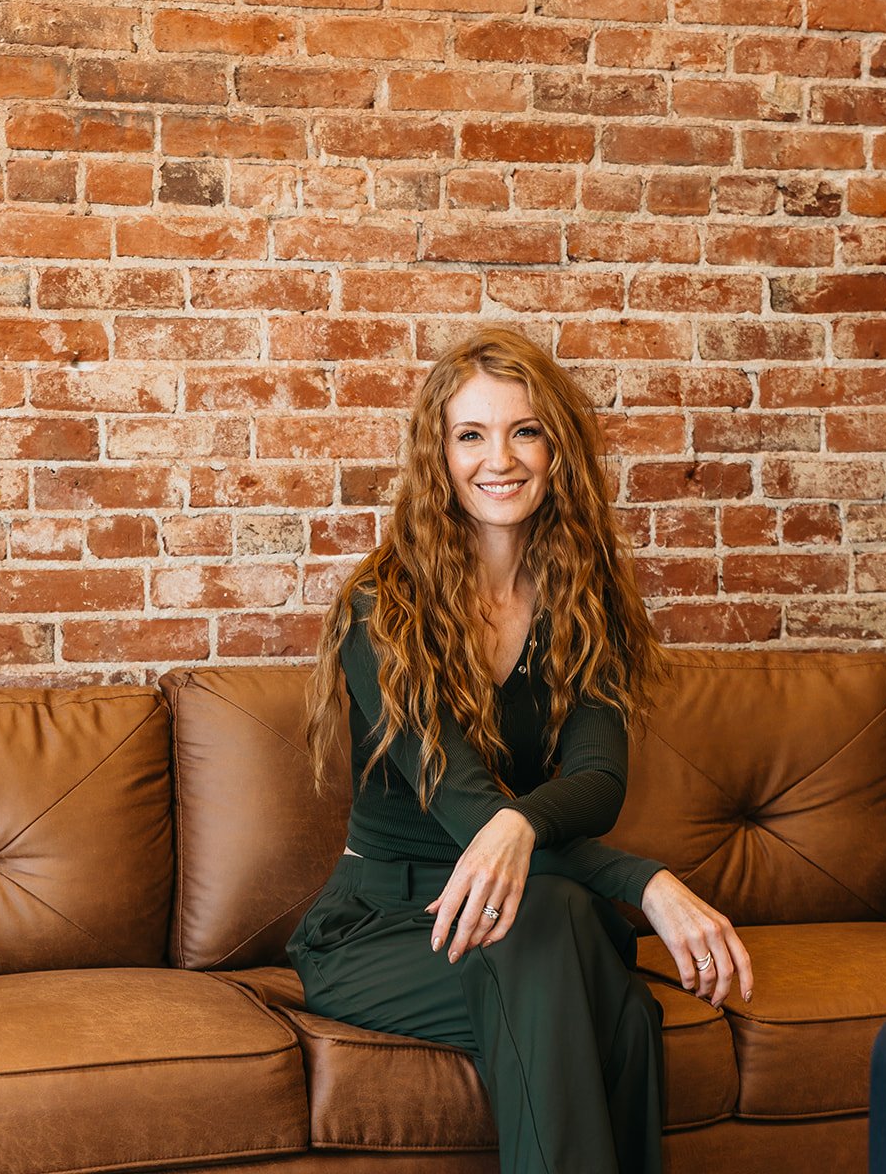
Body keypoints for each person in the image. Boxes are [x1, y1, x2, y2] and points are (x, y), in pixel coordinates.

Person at [289, 325, 753, 1174]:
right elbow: (467, 804)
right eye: (470, 434)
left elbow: (599, 781)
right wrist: (643, 881)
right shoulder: (379, 611)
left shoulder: (587, 600)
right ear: (438, 455)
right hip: (383, 923)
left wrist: (520, 830)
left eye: (523, 430)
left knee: (553, 933)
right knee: (599, 994)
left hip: (526, 905)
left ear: (556, 449)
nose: (497, 459)